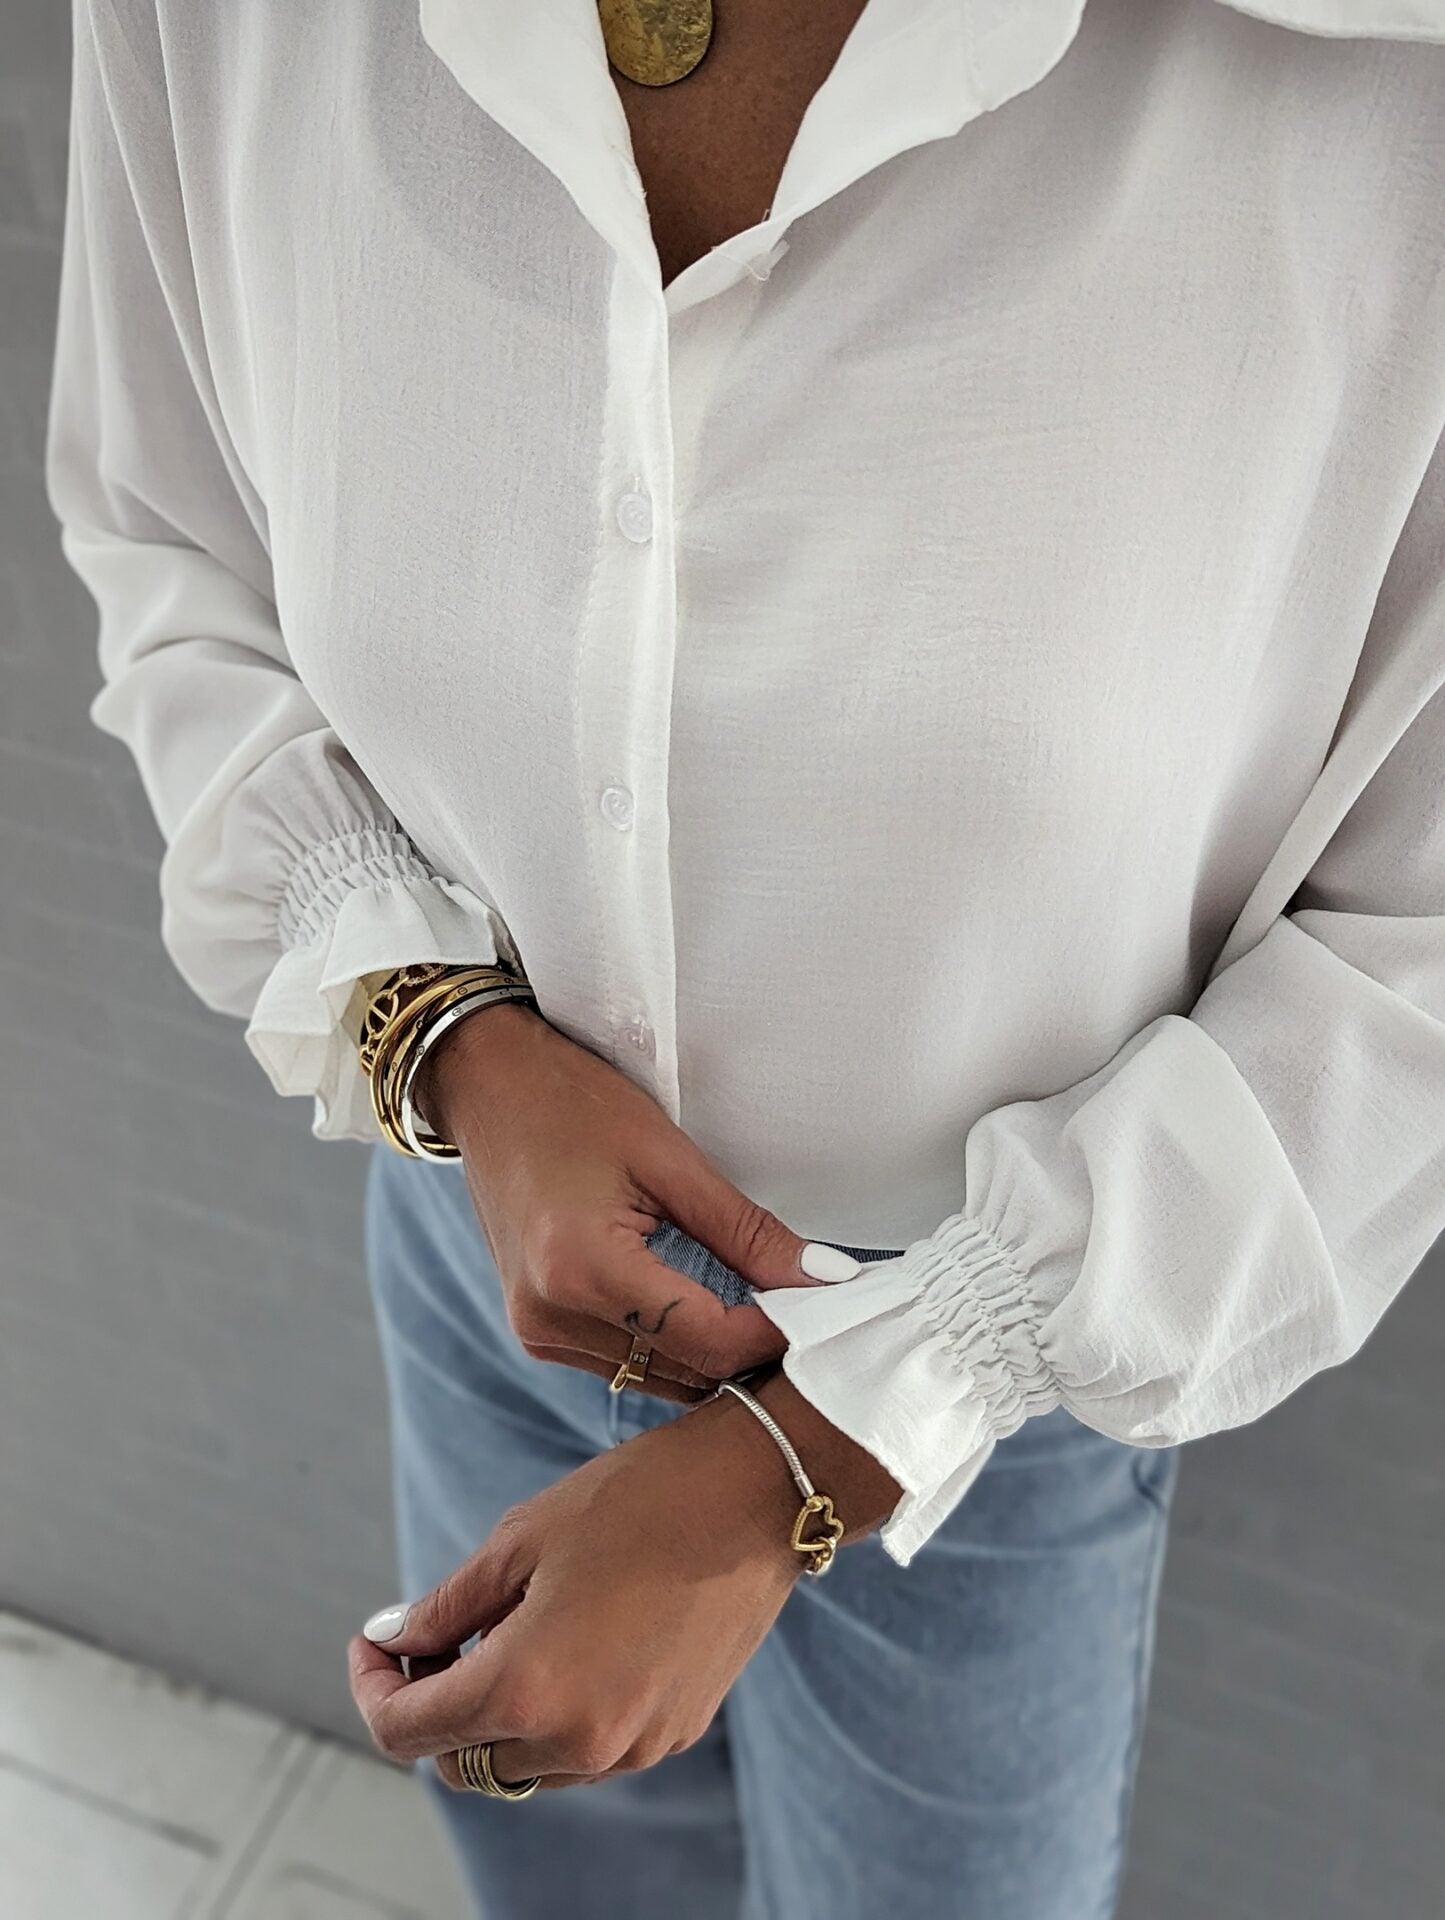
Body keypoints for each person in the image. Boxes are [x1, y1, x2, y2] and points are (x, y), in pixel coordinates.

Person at [43, 2, 1445, 1916]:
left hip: (993, 1391)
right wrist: (445, 1036)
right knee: (555, 1867)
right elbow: (173, 542)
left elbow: (1411, 947)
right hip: (478, 1246)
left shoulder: (1380, 97)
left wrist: (830, 1437)